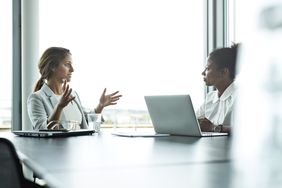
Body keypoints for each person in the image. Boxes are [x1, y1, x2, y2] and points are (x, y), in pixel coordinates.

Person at [27, 47, 122, 130]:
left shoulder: (73, 94)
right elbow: (42, 130)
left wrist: (100, 105)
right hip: (55, 150)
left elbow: (86, 121)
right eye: (67, 64)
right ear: (52, 66)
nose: (72, 69)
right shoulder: (36, 98)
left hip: (79, 149)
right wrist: (59, 107)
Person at [196, 43, 240, 134]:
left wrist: (214, 127)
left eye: (207, 69)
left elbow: (246, 130)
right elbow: (194, 123)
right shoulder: (210, 97)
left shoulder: (241, 96)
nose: (203, 73)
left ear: (223, 72)